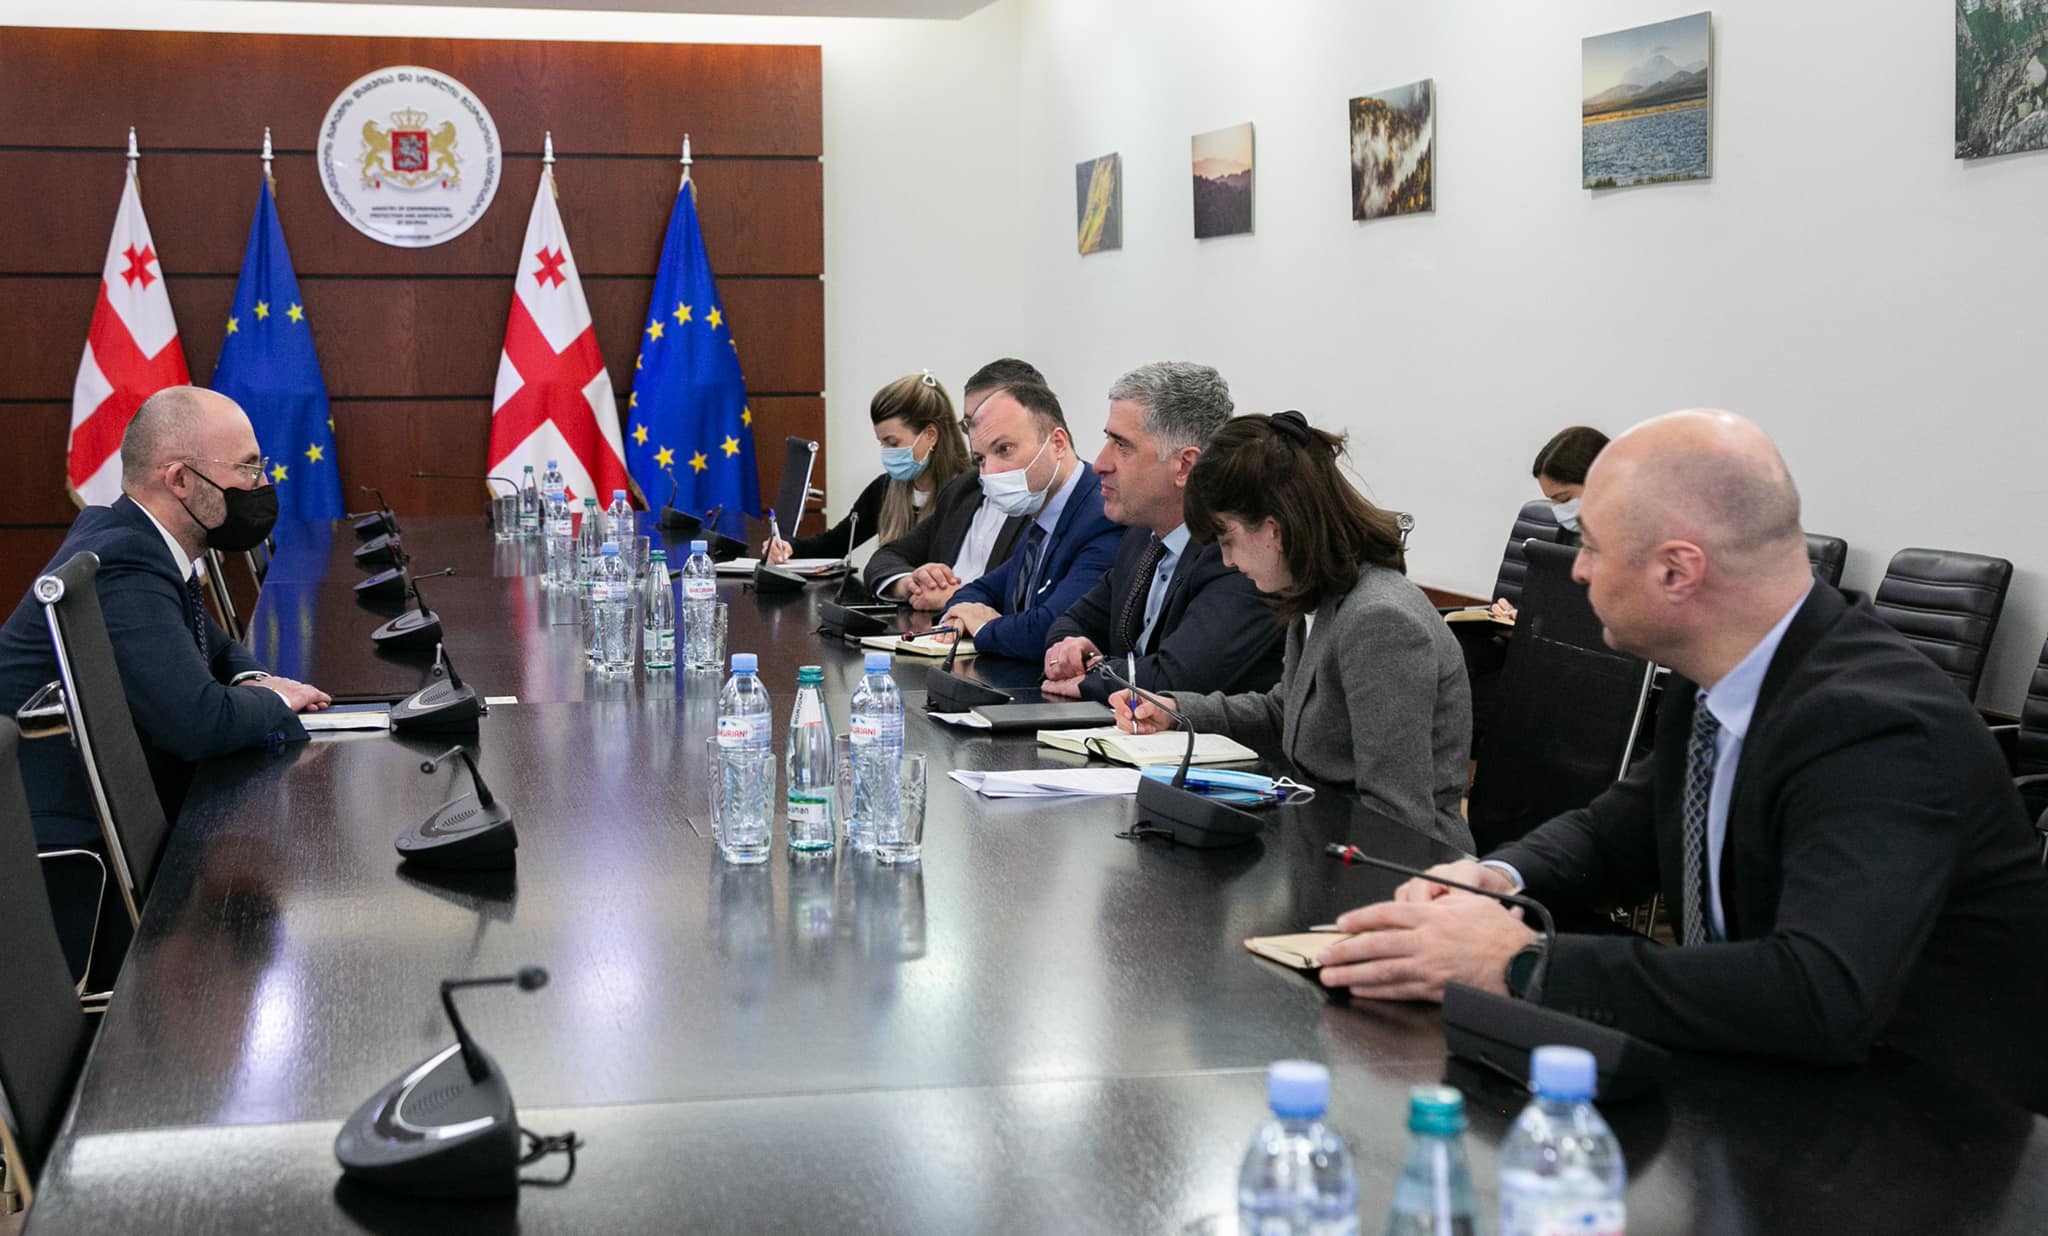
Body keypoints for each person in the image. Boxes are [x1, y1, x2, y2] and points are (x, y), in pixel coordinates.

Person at [1317, 410, 2048, 1113]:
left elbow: (1819, 991)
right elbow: (1617, 829)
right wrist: (1493, 880)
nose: (1578, 571)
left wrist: (1520, 962)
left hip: (1926, 1130)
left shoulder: (1874, 726)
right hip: (1777, 1084)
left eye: (1593, 547)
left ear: (1677, 571)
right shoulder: (1718, 677)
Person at [0, 385, 330, 982]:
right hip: (71, 867)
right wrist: (274, 700)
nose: (262, 484)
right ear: (180, 479)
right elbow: (198, 721)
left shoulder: (136, 540)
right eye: (247, 468)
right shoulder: (123, 560)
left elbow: (214, 644)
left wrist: (254, 677)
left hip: (113, 824)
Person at [1110, 411, 1472, 847]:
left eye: (1227, 541)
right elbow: (1287, 710)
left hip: (1398, 866)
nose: (1227, 561)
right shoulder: (1321, 596)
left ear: (1274, 530)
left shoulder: (1379, 620)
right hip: (1328, 843)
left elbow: (1396, 819)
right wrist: (1174, 709)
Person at [1040, 362, 1282, 704]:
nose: (1100, 464)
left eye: (1122, 445)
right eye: (1108, 439)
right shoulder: (1143, 536)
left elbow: (1176, 679)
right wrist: (1069, 650)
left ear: (1185, 466)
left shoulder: (1238, 555)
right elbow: (1070, 622)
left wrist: (1093, 673)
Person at [936, 380, 1122, 659]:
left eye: (1004, 449)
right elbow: (980, 589)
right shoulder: (1041, 518)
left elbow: (1052, 629)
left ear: (1057, 443)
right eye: (981, 459)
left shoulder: (1101, 516)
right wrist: (960, 615)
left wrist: (984, 627)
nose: (990, 472)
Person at [862, 358, 1041, 610]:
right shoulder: (964, 489)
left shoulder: (1047, 503)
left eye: (989, 420)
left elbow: (1034, 598)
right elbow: (887, 557)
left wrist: (956, 596)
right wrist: (912, 582)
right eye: (970, 423)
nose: (977, 433)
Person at [761, 369, 972, 564]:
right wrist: (789, 547)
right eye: (882, 443)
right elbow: (835, 544)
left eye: (893, 443)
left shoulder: (971, 492)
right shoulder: (885, 488)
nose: (886, 452)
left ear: (930, 435)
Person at [1487, 425, 1608, 622]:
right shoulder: (1572, 533)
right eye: (1552, 500)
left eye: (1564, 499)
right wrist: (1519, 618)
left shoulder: (1640, 546)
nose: (1558, 511)